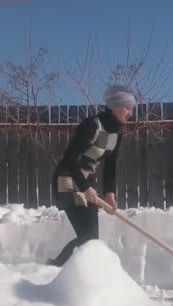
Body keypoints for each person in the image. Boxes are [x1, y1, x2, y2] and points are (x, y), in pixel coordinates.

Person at [47, 85, 135, 267]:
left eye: (131, 108)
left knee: (91, 239)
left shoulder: (115, 133)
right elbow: (70, 159)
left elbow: (110, 164)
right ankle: (54, 268)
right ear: (114, 106)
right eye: (127, 107)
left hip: (85, 182)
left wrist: (110, 193)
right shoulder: (92, 125)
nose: (130, 113)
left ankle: (70, 273)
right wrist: (85, 187)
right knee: (88, 238)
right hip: (67, 181)